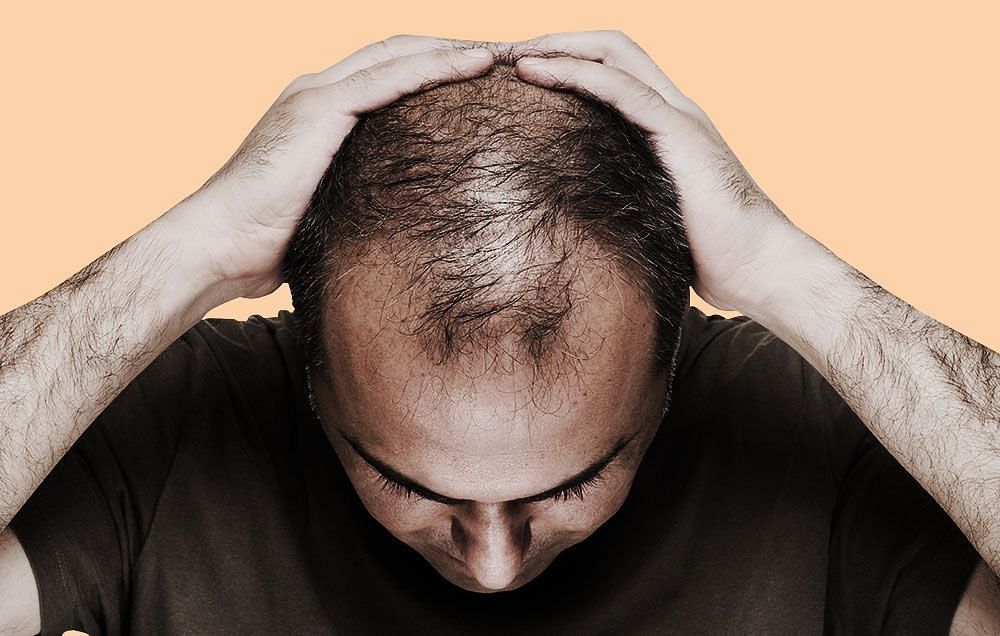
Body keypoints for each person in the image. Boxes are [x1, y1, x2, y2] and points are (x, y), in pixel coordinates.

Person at [0, 30, 997, 635]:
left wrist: (794, 275)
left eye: (567, 486)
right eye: (407, 483)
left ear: (671, 368)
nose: (490, 565)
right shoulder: (180, 425)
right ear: (309, 370)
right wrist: (186, 250)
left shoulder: (799, 431)